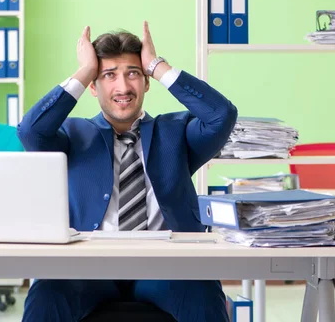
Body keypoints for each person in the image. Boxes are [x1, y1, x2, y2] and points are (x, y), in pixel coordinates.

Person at [17, 21, 238, 322]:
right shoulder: (72, 134)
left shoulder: (176, 132)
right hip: (89, 267)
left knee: (203, 294)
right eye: (109, 75)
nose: (123, 87)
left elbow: (221, 115)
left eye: (133, 73)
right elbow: (31, 131)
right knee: (46, 294)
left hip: (166, 266)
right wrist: (84, 71)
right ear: (93, 86)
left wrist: (157, 65)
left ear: (146, 82)